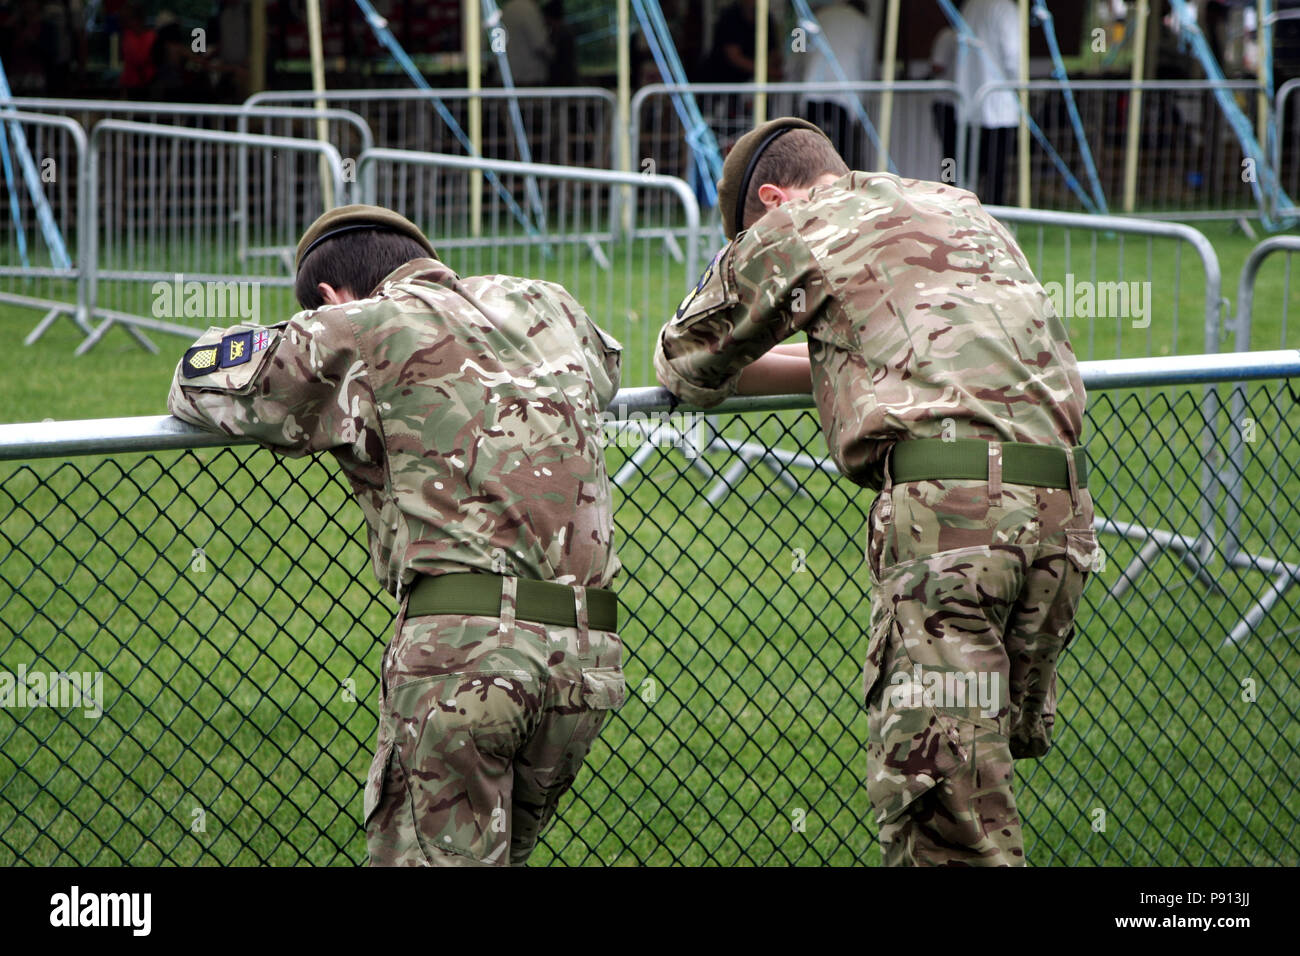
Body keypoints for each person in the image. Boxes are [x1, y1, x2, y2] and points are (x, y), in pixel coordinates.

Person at [653, 118, 1098, 866]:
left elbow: (686, 357)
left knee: (947, 816)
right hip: (1062, 514)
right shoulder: (958, 205)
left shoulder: (801, 224)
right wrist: (835, 354)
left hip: (954, 523)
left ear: (771, 198)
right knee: (984, 776)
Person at [167, 205, 627, 866]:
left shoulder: (358, 325)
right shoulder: (547, 303)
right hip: (587, 660)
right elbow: (604, 374)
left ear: (328, 296)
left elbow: (199, 378)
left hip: (466, 660)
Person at [954, 0, 1020, 206]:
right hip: (997, 101)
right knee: (995, 169)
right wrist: (1019, 83)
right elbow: (1014, 56)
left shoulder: (970, 6)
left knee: (969, 166)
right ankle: (994, 212)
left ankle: (969, 208)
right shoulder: (1004, 8)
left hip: (970, 98)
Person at [797, 0, 876, 170]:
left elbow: (800, 52)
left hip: (813, 88)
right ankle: (842, 183)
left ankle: (809, 177)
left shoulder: (816, 17)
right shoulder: (862, 23)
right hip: (845, 92)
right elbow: (867, 62)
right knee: (843, 148)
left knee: (809, 144)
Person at [500, 0, 553, 86]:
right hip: (528, 79)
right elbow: (540, 44)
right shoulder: (529, 10)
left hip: (506, 74)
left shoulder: (506, 8)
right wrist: (552, 56)